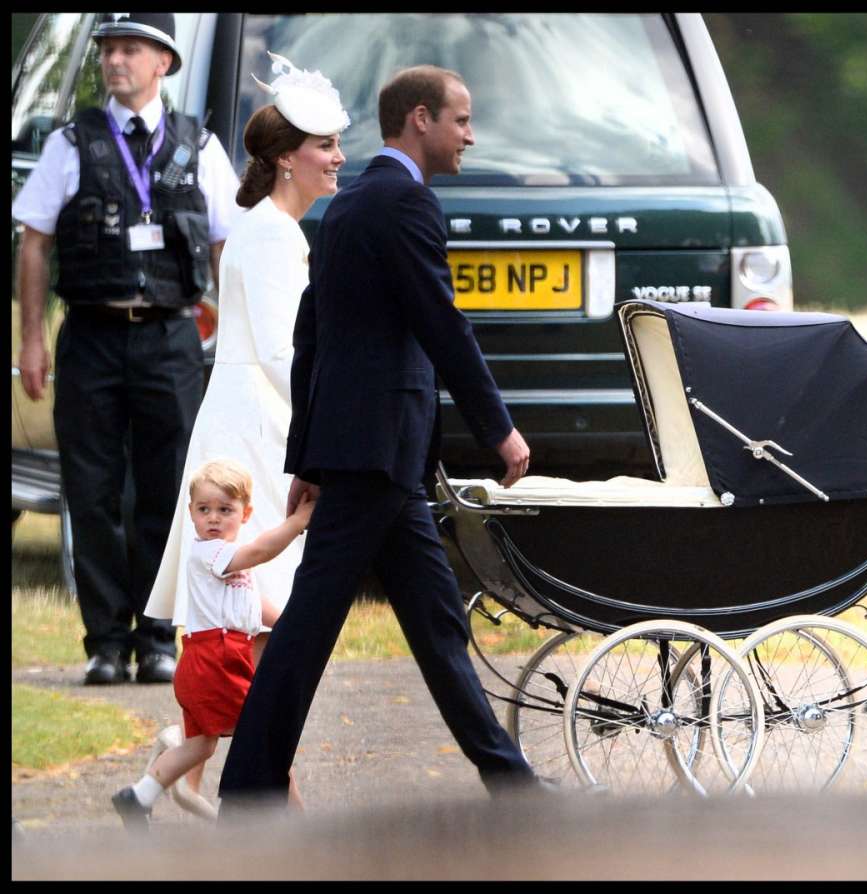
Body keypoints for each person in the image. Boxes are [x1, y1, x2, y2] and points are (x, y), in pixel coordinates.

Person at [218, 64, 538, 813]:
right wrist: (500, 429)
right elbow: (441, 323)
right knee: (308, 626)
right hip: (377, 452)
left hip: (373, 454)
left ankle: (512, 783)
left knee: (436, 626)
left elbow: (312, 338)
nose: (469, 135)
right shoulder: (405, 204)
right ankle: (247, 792)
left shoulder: (351, 203)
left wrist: (306, 456)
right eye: (461, 120)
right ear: (419, 119)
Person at [140, 52, 349, 810]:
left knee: (252, 616)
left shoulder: (277, 230)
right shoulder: (269, 235)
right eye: (324, 146)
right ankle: (264, 793)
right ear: (289, 159)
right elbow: (276, 350)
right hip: (254, 427)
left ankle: (189, 766)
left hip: (258, 418)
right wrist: (329, 425)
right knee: (262, 616)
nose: (337, 158)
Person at [12, 13, 240, 686]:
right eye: (109, 48)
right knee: (92, 489)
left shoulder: (199, 146)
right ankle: (105, 642)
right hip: (90, 333)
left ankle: (158, 636)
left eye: (130, 49)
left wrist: (239, 345)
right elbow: (33, 241)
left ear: (162, 62)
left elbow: (227, 246)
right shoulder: (72, 141)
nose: (115, 61)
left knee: (169, 491)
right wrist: (31, 337)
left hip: (171, 335)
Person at [111, 459, 312, 831]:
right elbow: (257, 553)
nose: (214, 519)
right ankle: (299, 828)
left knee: (201, 746)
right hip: (216, 660)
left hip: (210, 659)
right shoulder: (209, 553)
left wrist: (291, 624)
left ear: (245, 513)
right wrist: (297, 523)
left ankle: (138, 796)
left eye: (225, 509)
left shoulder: (228, 561)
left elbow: (254, 606)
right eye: (204, 510)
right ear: (191, 513)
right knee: (267, 738)